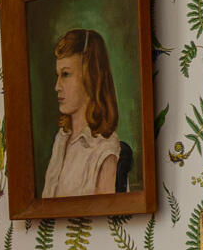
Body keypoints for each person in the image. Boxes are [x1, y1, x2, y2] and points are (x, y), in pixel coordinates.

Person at [38, 28, 137, 198]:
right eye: (57, 75)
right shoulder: (61, 138)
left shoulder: (104, 151)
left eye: (66, 74)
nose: (57, 86)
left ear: (91, 77)